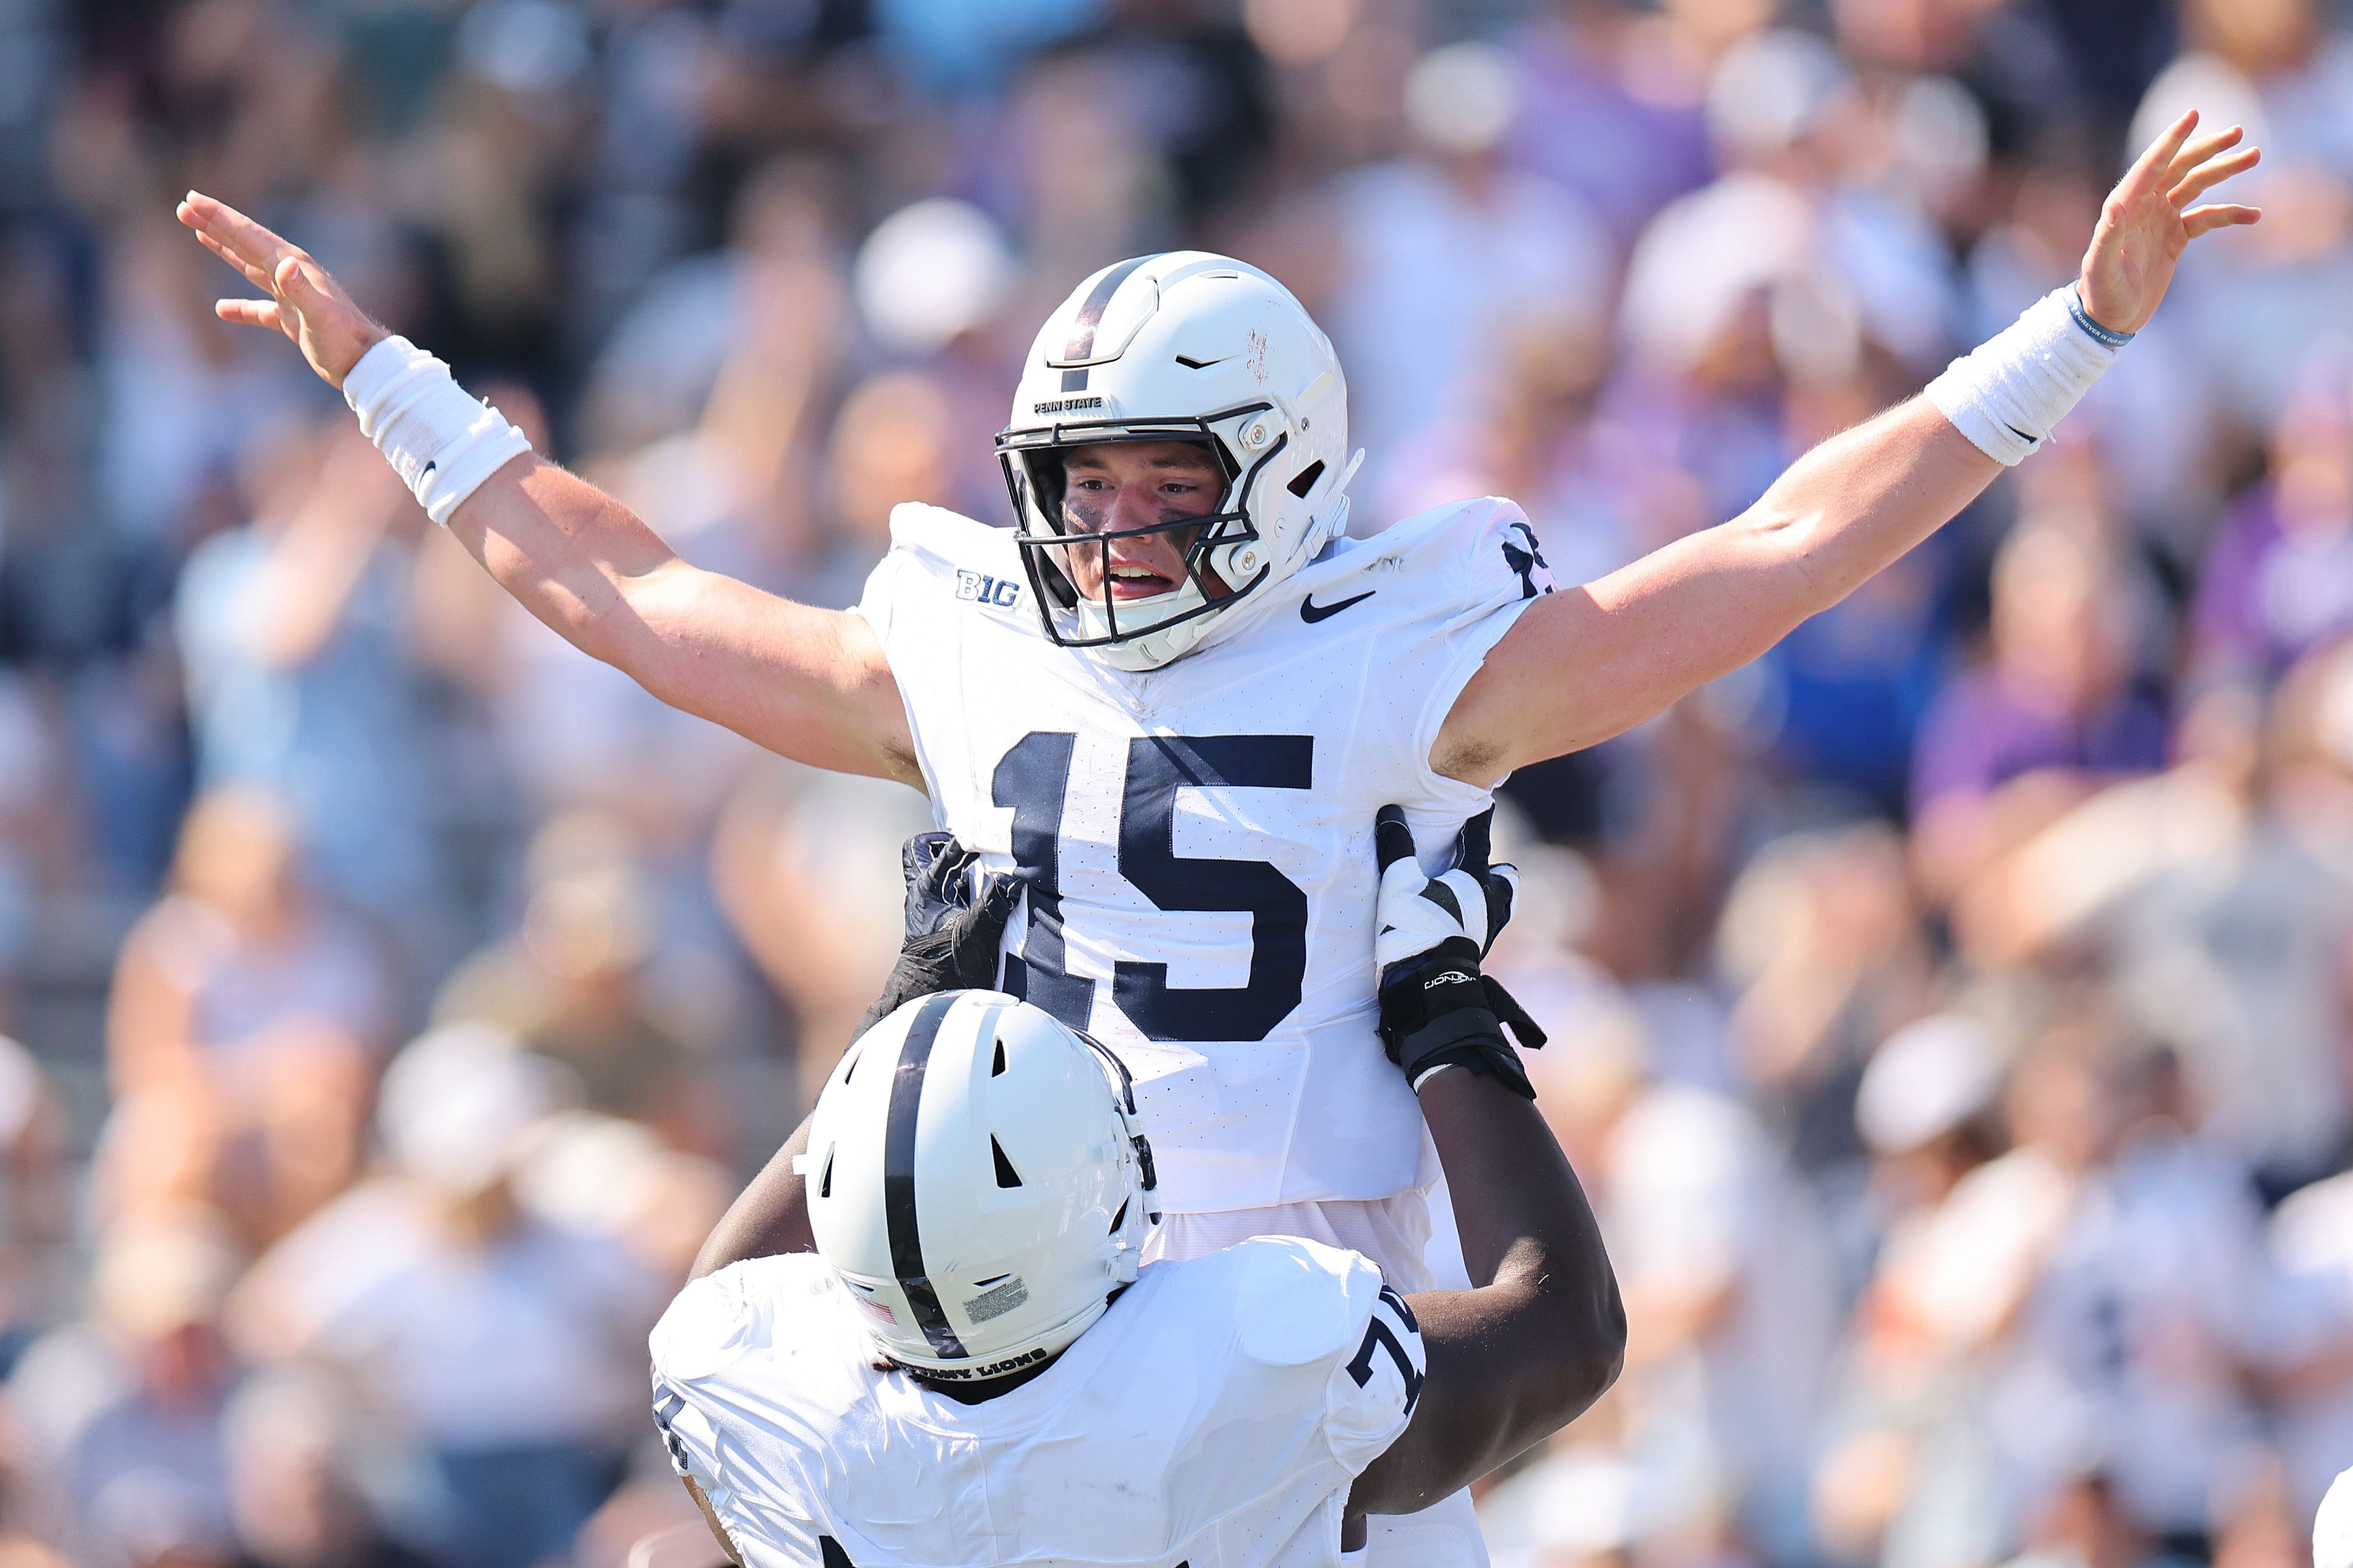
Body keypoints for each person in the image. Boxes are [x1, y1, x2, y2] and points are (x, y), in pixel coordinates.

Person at [175, 111, 2256, 1563]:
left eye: (1158, 484)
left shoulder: (1404, 654)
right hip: (1028, 1316)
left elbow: (1772, 549)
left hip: (1308, 1299)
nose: (1103, 534)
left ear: (1284, 463)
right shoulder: (980, 649)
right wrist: (396, 390)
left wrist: (2059, 337)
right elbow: (627, 591)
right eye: (1074, 488)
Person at [645, 807, 1621, 1566]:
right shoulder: (1250, 1362)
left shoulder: (757, 1391)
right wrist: (1441, 1014)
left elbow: (724, 1292)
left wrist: (899, 1044)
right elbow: (1562, 1326)